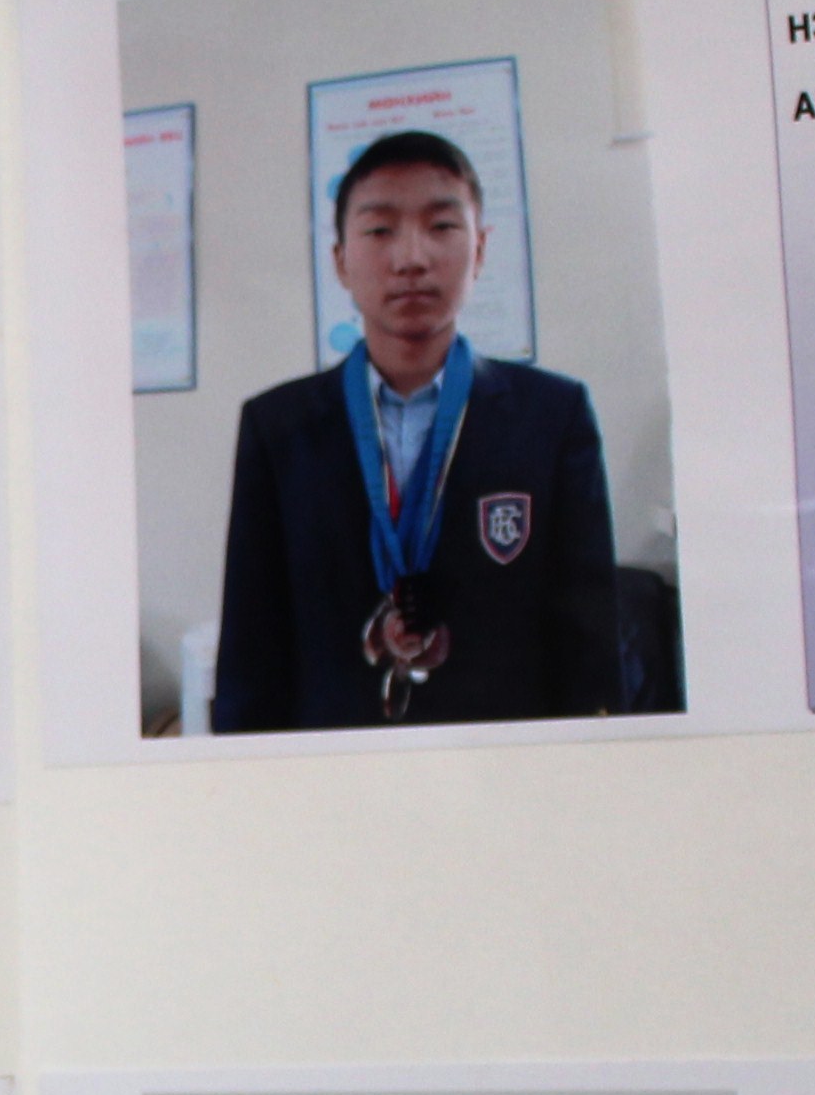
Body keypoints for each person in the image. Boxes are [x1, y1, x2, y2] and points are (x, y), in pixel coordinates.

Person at [213, 130, 619, 730]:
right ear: (341, 260)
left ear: (480, 250)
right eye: (380, 230)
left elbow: (589, 641)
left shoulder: (554, 416)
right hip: (337, 761)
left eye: (441, 226)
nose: (411, 258)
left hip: (500, 758)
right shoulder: (277, 428)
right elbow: (251, 649)